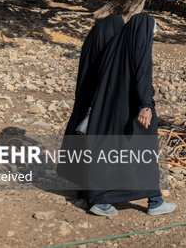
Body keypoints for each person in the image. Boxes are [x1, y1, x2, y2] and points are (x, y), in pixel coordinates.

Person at [76, 13, 174, 217]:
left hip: (110, 113)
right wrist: (146, 105)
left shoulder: (114, 49)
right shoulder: (139, 49)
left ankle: (101, 199)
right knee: (144, 153)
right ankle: (154, 201)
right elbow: (142, 76)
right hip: (134, 112)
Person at [58, 14, 124, 187]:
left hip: (83, 98)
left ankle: (78, 181)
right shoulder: (109, 48)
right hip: (97, 104)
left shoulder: (93, 41)